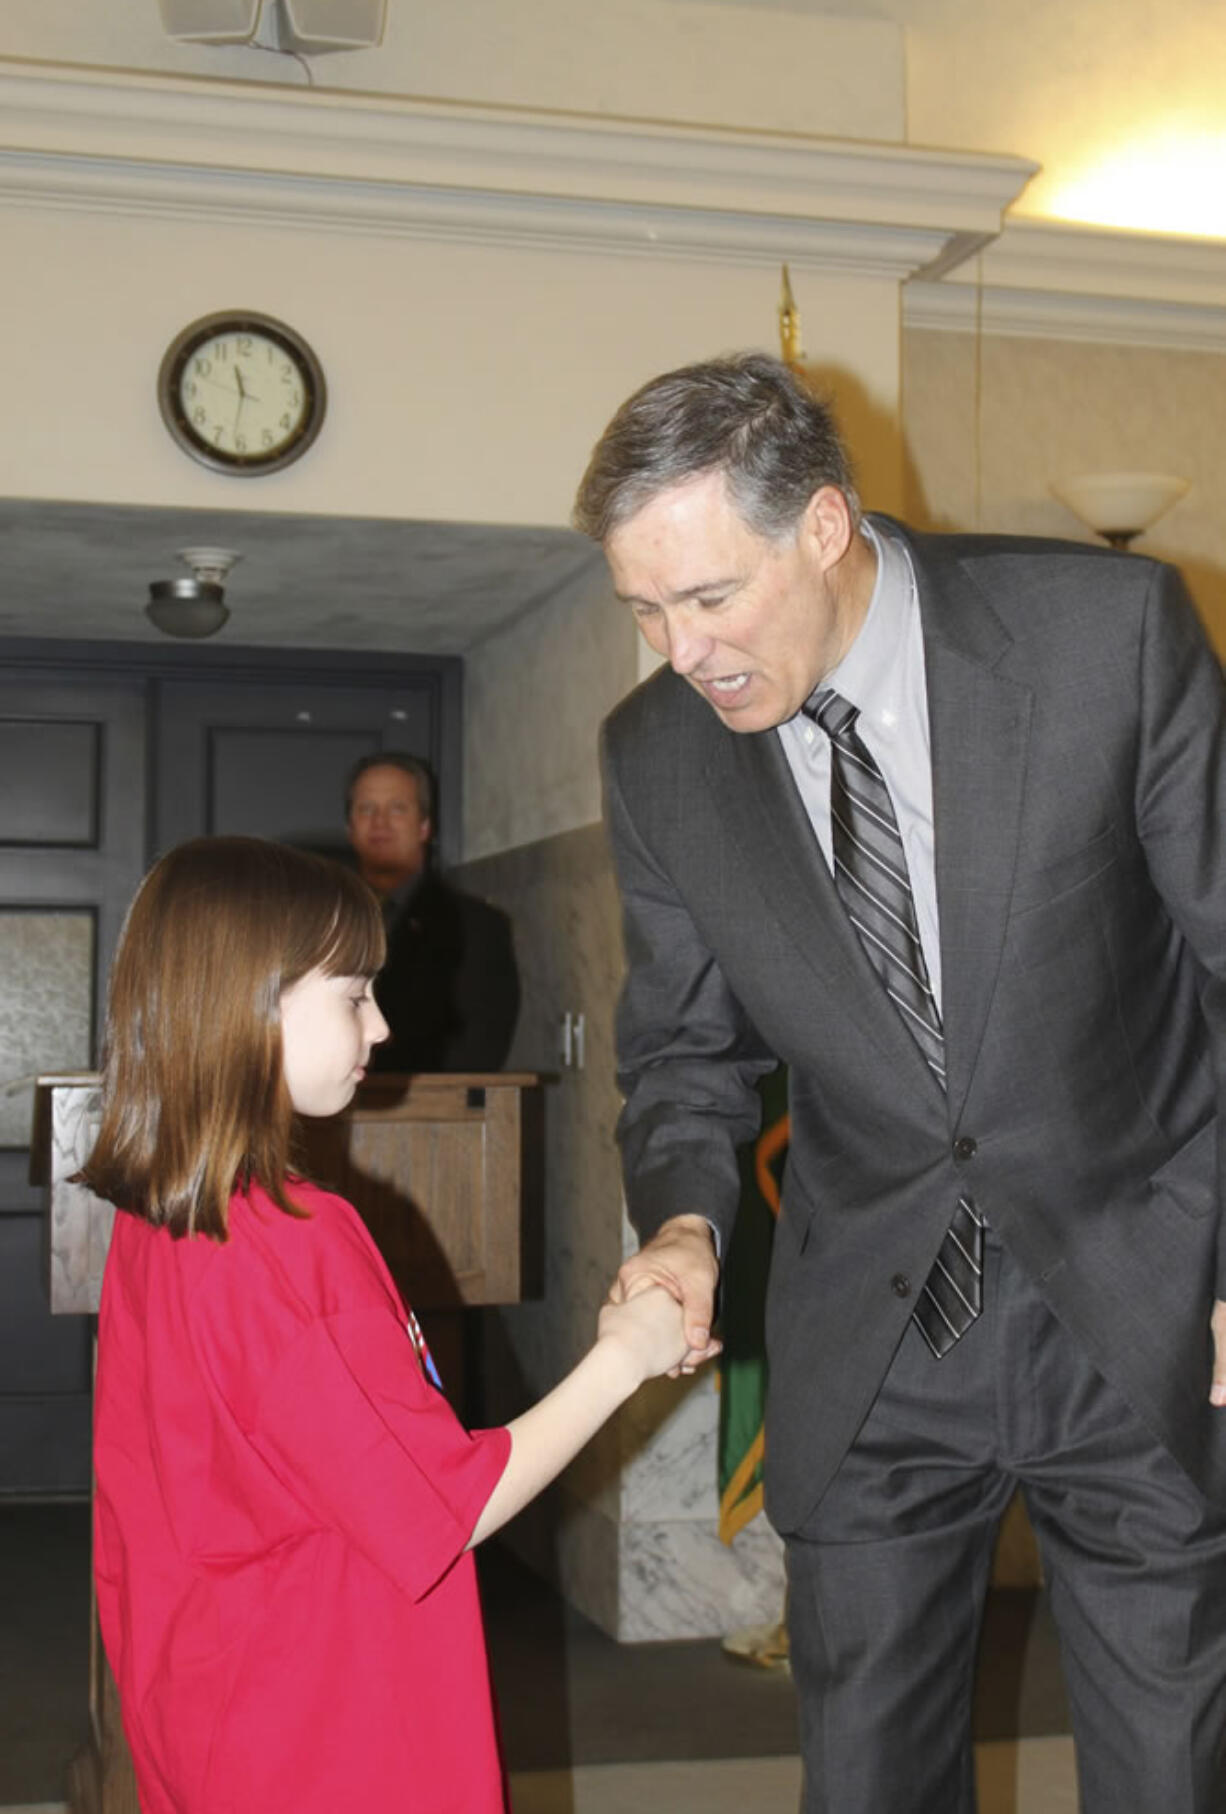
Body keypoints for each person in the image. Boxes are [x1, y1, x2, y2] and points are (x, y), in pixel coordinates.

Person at [574, 351, 1226, 1813]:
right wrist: (681, 1221)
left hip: (1135, 1292)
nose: (680, 651)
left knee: (1167, 1769)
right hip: (876, 1331)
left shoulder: (1099, 636)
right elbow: (685, 1047)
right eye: (643, 608)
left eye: (709, 596)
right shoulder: (657, 759)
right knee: (865, 1781)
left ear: (821, 525)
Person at [81, 836, 690, 1814]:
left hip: (209, 1699)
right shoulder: (291, 1238)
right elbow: (448, 1505)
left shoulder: (163, 1208)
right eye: (353, 992)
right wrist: (624, 1355)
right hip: (328, 1730)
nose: (382, 1023)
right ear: (249, 1002)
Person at [344, 751, 521, 1073]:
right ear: (350, 826)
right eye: (366, 808)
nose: (380, 822)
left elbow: (479, 1049)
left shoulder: (477, 927)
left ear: (425, 826)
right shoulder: (320, 919)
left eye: (397, 809)